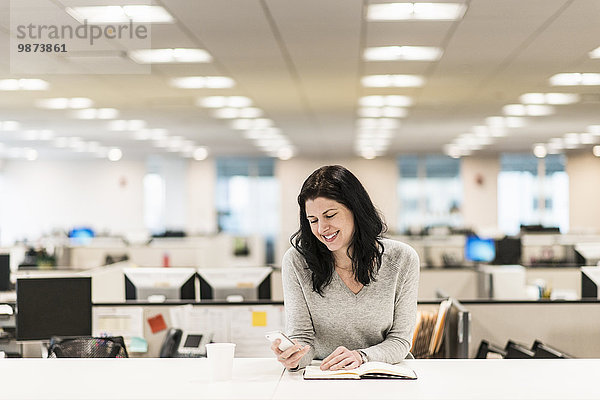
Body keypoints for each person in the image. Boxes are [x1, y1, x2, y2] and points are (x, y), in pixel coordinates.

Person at [271, 165, 419, 371]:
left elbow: (400, 341)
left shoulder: (402, 259)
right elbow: (303, 338)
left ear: (355, 209)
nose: (322, 229)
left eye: (330, 215)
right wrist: (294, 357)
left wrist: (361, 357)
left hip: (383, 374)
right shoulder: (297, 261)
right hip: (326, 375)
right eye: (313, 220)